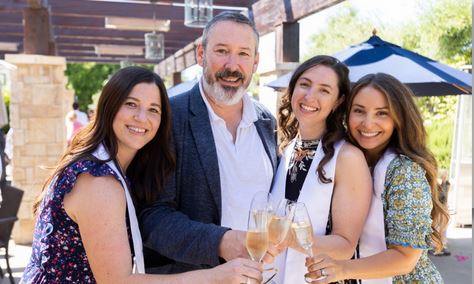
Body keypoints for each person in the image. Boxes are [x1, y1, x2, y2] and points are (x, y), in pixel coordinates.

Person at [21, 67, 263, 283]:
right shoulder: (99, 182)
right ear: (110, 105)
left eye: (153, 109)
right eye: (131, 104)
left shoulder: (110, 165)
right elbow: (118, 281)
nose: (142, 118)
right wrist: (215, 277)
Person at [139, 11, 279, 274]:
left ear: (256, 62)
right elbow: (151, 216)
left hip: (263, 276)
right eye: (222, 51)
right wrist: (221, 242)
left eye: (243, 54)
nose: (232, 65)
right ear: (201, 54)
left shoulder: (266, 121)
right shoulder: (168, 119)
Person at [305, 73, 449, 283]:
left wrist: (342, 269)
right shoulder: (347, 159)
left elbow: (405, 259)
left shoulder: (404, 172)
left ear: (399, 118)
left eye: (382, 113)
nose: (368, 123)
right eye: (359, 111)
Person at [269, 55, 372, 284]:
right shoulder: (285, 148)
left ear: (338, 101)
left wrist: (285, 237)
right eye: (304, 84)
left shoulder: (347, 157)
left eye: (324, 90)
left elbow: (345, 246)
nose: (310, 96)